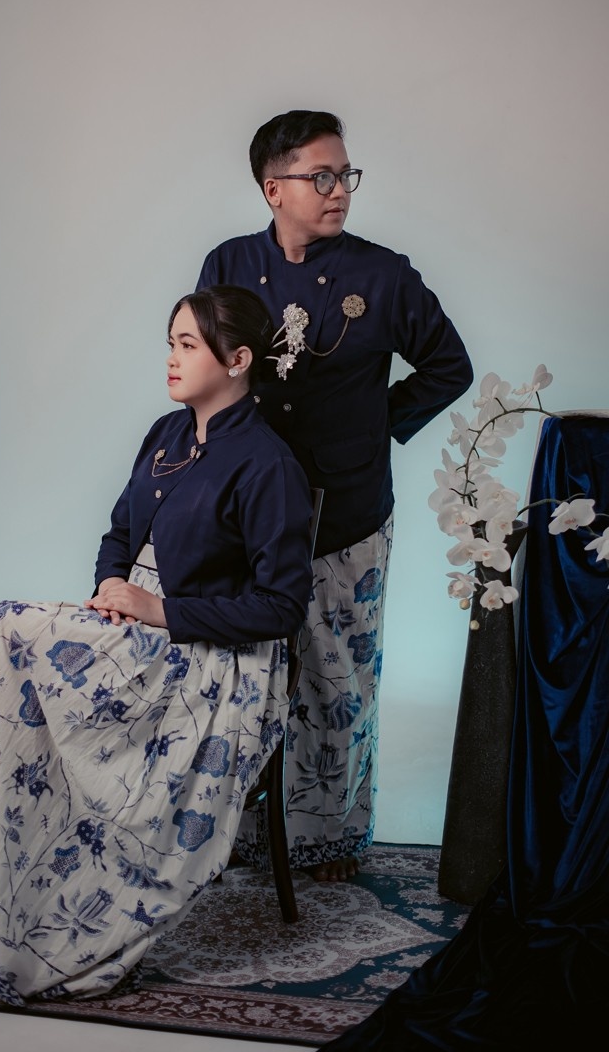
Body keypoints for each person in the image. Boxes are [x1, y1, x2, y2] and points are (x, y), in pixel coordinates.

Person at [0, 285, 313, 1005]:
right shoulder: (166, 433)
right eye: (170, 342)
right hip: (133, 629)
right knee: (2, 648)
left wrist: (160, 609)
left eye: (188, 345)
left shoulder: (268, 464)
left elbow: (283, 606)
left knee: (4, 627)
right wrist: (113, 587)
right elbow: (118, 533)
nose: (172, 358)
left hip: (205, 657)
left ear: (238, 360)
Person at [197, 110, 473, 883]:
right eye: (320, 176)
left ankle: (331, 838)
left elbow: (450, 365)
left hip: (347, 510)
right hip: (248, 509)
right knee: (243, 673)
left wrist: (376, 426)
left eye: (345, 174)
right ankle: (237, 830)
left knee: (336, 677)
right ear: (272, 188)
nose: (338, 190)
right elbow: (211, 368)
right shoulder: (229, 262)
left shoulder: (384, 276)